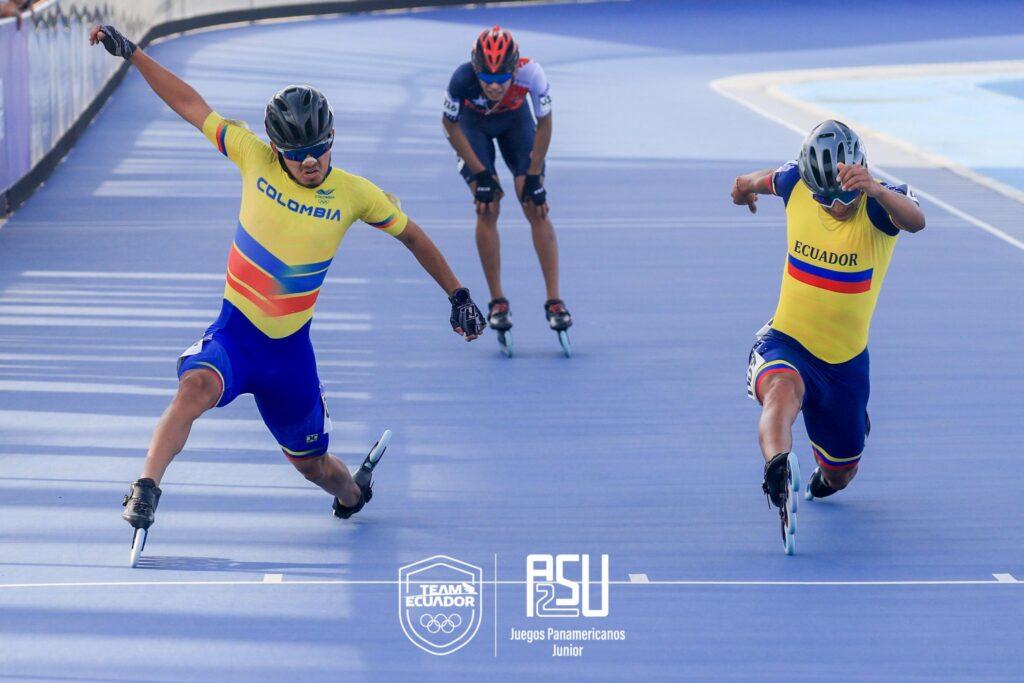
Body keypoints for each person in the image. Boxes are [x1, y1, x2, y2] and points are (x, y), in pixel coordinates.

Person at [88, 25, 486, 530]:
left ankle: (353, 491)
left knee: (315, 469)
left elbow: (412, 237)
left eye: (319, 147)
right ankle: (145, 486)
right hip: (236, 336)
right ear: (276, 147)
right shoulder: (252, 156)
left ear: (332, 138)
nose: (311, 161)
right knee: (192, 390)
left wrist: (458, 294)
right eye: (297, 153)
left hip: (290, 357)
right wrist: (135, 54)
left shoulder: (355, 193)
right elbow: (190, 104)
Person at [731, 120, 926, 548]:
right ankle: (777, 468)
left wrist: (873, 190)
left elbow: (917, 221)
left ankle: (825, 476)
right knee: (781, 390)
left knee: (842, 473)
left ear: (860, 173)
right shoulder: (794, 181)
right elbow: (757, 181)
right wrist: (742, 187)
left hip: (844, 367)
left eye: (844, 194)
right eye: (824, 198)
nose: (836, 206)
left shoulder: (879, 207)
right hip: (786, 341)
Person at [441, 25, 571, 347]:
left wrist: (535, 175)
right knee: (487, 205)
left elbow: (545, 122)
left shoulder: (532, 73)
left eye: (502, 80)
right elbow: (450, 126)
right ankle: (497, 300)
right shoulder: (461, 79)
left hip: (517, 124)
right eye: (487, 80)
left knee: (535, 205)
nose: (495, 87)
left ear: (515, 69)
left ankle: (554, 300)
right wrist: (480, 173)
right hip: (474, 129)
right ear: (476, 71)